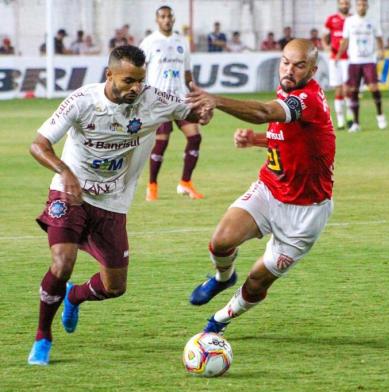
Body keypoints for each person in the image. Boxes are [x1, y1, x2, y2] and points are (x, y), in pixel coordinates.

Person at [27, 45, 212, 366]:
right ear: (109, 75)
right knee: (62, 262)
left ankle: (74, 296)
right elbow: (39, 144)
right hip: (70, 193)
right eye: (128, 81)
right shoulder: (82, 101)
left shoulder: (154, 99)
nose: (136, 88)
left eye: (140, 81)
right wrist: (65, 171)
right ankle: (43, 336)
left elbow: (192, 112)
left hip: (113, 201)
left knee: (115, 287)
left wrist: (204, 112)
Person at [187, 39, 335, 336]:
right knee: (221, 242)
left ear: (313, 70)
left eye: (299, 65)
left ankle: (219, 320)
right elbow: (298, 141)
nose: (289, 69)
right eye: (285, 62)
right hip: (270, 189)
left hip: (305, 213)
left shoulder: (309, 100)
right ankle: (222, 277)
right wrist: (256, 140)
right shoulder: (287, 88)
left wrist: (216, 100)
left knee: (257, 281)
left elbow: (266, 113)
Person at [140, 6, 204, 201]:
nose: (167, 20)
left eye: (169, 17)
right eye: (163, 17)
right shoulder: (149, 43)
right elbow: (140, 72)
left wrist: (195, 94)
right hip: (159, 100)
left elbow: (187, 73)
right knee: (162, 143)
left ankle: (185, 183)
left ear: (173, 19)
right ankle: (152, 185)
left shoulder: (181, 41)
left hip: (181, 99)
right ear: (157, 20)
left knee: (195, 138)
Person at [336, 0, 387, 132]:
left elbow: (379, 37)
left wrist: (381, 51)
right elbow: (345, 40)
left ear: (367, 6)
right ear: (356, 6)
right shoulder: (350, 21)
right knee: (353, 90)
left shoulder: (373, 21)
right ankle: (356, 123)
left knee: (374, 87)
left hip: (369, 60)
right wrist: (339, 55)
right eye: (359, 5)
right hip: (354, 61)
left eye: (364, 5)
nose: (361, 7)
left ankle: (380, 116)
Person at [322, 0, 354, 130]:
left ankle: (350, 118)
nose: (344, 5)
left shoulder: (353, 19)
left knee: (348, 89)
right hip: (334, 59)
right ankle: (340, 121)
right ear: (338, 5)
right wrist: (327, 48)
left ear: (349, 5)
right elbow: (324, 36)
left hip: (349, 58)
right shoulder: (331, 19)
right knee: (339, 89)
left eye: (346, 3)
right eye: (342, 3)